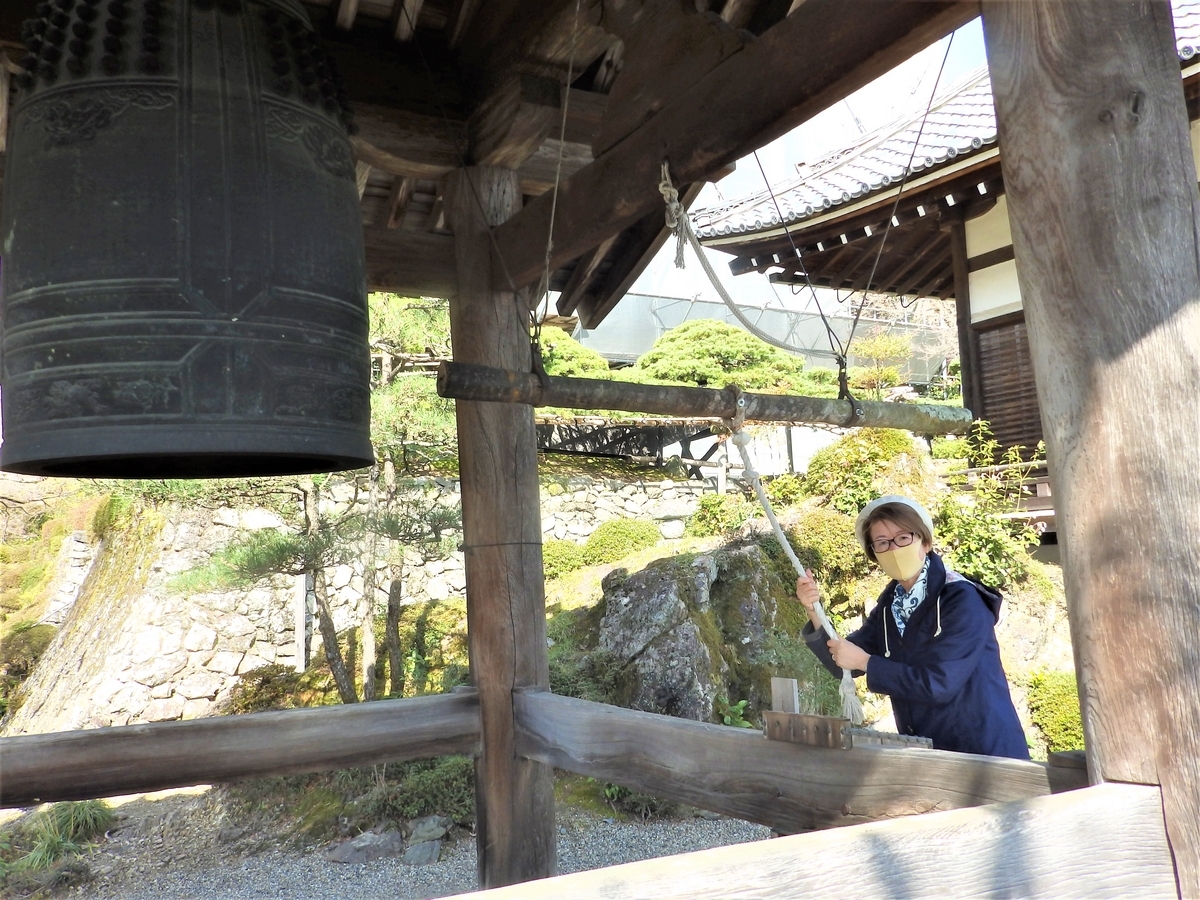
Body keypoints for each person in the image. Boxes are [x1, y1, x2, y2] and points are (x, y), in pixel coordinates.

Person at [796, 494, 1029, 759]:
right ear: (874, 554)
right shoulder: (891, 605)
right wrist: (813, 609)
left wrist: (867, 662)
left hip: (985, 753)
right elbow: (843, 660)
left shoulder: (960, 598)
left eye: (903, 538)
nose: (894, 549)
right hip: (929, 753)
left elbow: (940, 683)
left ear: (925, 542)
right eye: (882, 543)